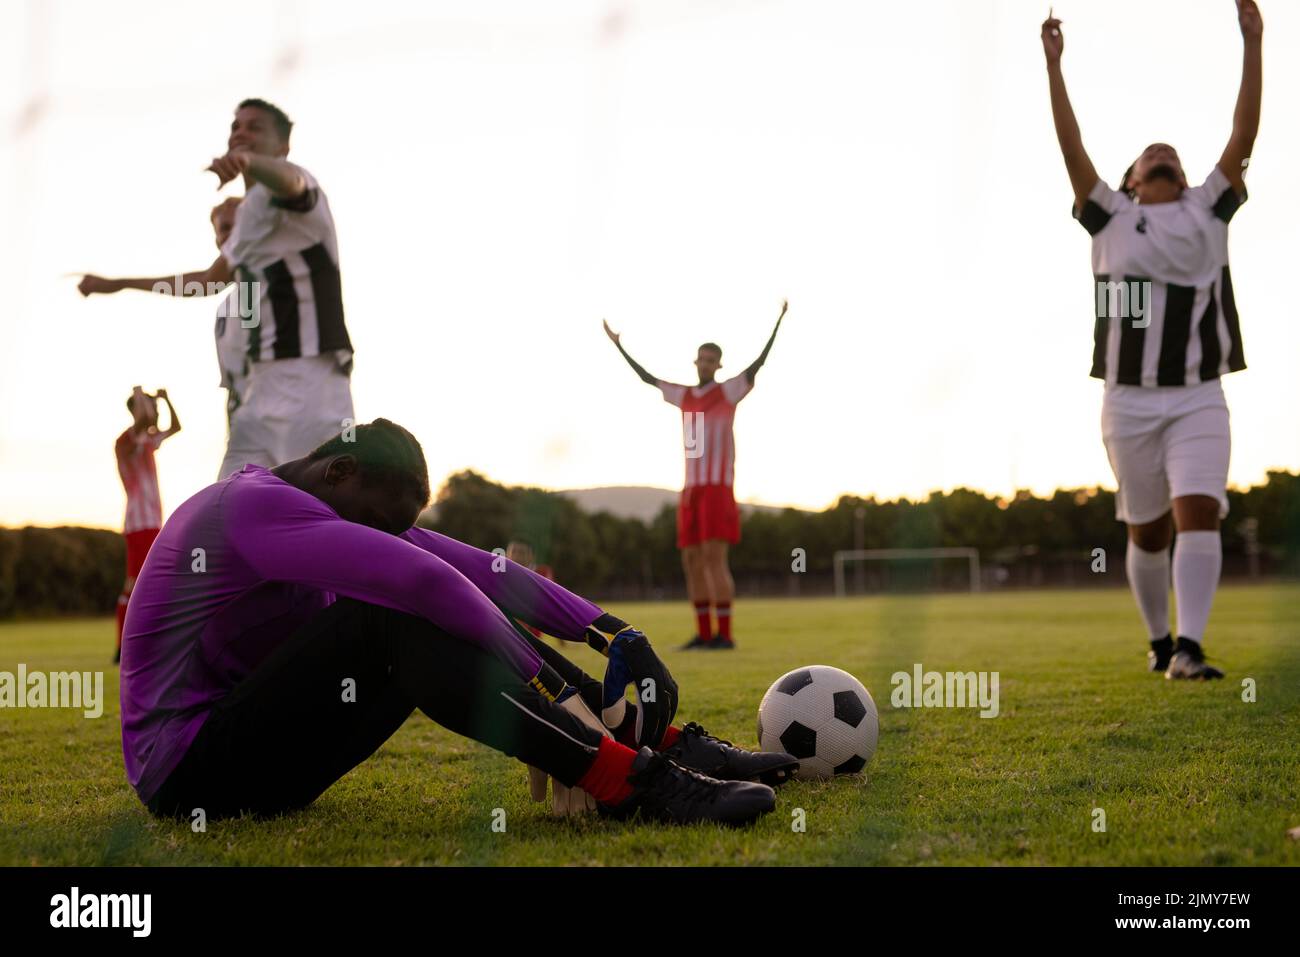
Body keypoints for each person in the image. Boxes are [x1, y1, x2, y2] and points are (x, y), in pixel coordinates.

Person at [120, 419, 798, 827]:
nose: (392, 539)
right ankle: (626, 777)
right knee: (392, 614)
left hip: (268, 767)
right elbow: (422, 579)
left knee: (431, 603)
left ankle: (660, 744)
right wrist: (549, 691)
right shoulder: (249, 508)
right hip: (188, 774)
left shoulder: (330, 505)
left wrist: (612, 630)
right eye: (385, 524)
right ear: (341, 468)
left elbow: (482, 570)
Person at [1042, 2, 1262, 679]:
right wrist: (1054, 67)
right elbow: (1072, 148)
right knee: (1147, 530)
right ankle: (1160, 640)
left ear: (1187, 179)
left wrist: (1253, 43)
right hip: (1127, 400)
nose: (1163, 153)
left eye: (1173, 154)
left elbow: (1244, 129)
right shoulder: (1109, 215)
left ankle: (1190, 649)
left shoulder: (1207, 207)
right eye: (1149, 156)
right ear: (1131, 182)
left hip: (1197, 393)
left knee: (1200, 509)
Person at [78, 98, 355, 479]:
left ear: (282, 146)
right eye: (236, 126)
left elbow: (291, 181)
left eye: (255, 127)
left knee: (319, 513)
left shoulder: (300, 190)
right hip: (259, 394)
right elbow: (206, 282)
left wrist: (250, 163)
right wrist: (120, 284)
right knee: (225, 512)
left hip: (312, 384)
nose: (241, 132)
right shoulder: (248, 223)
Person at [603, 301, 787, 650]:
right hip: (690, 489)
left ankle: (725, 634)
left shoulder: (728, 391)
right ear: (696, 362)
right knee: (691, 560)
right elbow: (647, 378)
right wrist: (618, 344)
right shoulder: (684, 395)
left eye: (710, 359)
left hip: (717, 487)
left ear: (718, 364)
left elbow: (758, 364)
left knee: (714, 559)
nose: (704, 364)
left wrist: (778, 320)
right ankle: (703, 633)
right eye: (700, 359)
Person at [113, 387, 180, 663]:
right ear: (140, 411)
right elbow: (141, 422)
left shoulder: (149, 441)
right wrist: (142, 396)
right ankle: (123, 647)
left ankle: (136, 644)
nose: (158, 415)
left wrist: (164, 398)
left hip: (152, 522)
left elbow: (176, 427)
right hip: (140, 524)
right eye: (153, 410)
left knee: (144, 583)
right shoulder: (126, 441)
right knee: (135, 584)